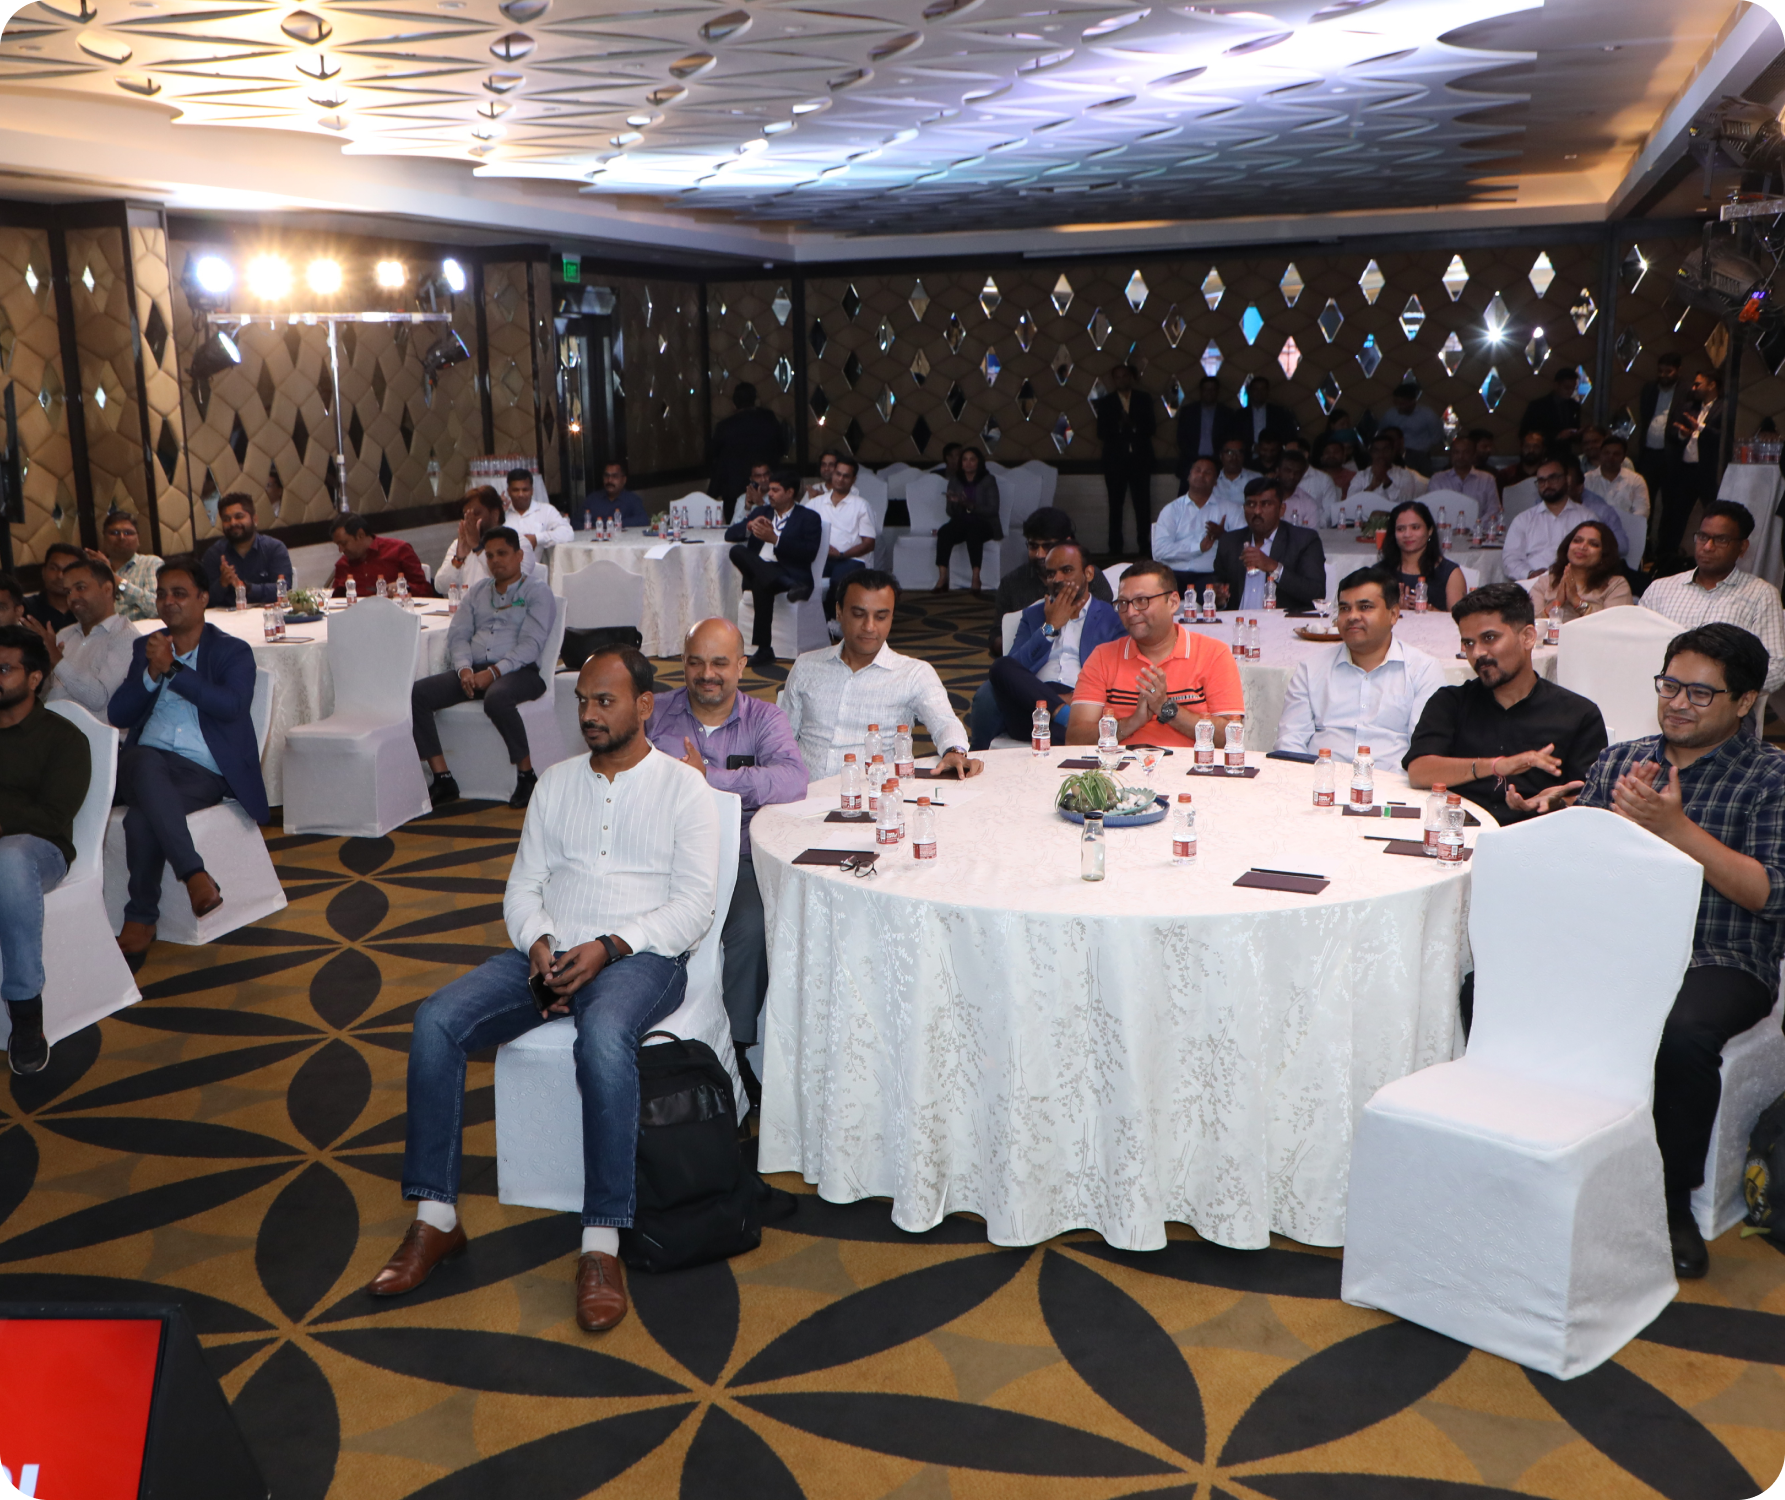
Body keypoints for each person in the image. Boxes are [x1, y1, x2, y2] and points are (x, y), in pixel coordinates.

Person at [368, 645, 720, 1333]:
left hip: (641, 957)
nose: (589, 713)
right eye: (582, 701)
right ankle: (436, 1219)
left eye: (605, 701)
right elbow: (523, 888)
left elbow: (693, 908)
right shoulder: (555, 784)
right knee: (436, 1020)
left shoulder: (685, 790)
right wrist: (538, 946)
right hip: (551, 952)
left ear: (645, 705)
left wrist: (609, 946)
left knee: (604, 1036)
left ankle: (601, 1243)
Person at [1562, 623, 1785, 1279]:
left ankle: (1668, 1201)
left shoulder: (1770, 777)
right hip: (1618, 942)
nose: (1677, 704)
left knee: (1681, 1031)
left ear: (1744, 702)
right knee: (1489, 984)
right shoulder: (1621, 761)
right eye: (1669, 686)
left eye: (1700, 693)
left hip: (1719, 953)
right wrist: (1601, 830)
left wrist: (1674, 828)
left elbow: (1770, 894)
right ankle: (1548, 1149)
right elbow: (1580, 866)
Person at [645, 618, 807, 1104]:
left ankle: (732, 1051)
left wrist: (708, 779)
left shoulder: (765, 718)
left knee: (752, 927)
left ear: (740, 665)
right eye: (695, 662)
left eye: (719, 663)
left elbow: (792, 780)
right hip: (664, 858)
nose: (707, 674)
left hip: (737, 858)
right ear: (682, 663)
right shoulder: (655, 714)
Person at [107, 556, 269, 969]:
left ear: (203, 598)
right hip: (144, 762)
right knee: (143, 760)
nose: (168, 602)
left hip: (202, 771)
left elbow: (231, 706)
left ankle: (141, 918)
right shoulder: (145, 648)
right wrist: (151, 672)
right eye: (162, 594)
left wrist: (174, 670)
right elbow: (118, 713)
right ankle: (194, 873)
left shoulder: (232, 651)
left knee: (141, 819)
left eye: (179, 593)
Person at [1404, 581, 1608, 826]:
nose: (1477, 653)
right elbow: (1419, 771)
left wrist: (1557, 803)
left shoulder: (1578, 714)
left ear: (1528, 637)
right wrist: (1496, 766)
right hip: (1456, 833)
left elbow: (1591, 801)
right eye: (1469, 643)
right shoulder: (1451, 702)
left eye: (1489, 638)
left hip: (1535, 837)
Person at [781, 569, 979, 780]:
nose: (869, 626)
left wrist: (954, 751)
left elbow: (945, 722)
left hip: (873, 793)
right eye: (858, 614)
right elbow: (781, 737)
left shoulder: (913, 674)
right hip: (803, 792)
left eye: (881, 617)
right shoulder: (806, 665)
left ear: (891, 617)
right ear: (839, 612)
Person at [0, 624, 92, 1076]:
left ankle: (25, 1014)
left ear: (34, 678)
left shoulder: (63, 738)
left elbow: (53, 818)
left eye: (4, 669)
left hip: (38, 853)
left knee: (8, 859)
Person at [410, 528, 556, 811]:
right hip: (475, 671)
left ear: (519, 556)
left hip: (520, 673)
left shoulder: (537, 591)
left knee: (497, 697)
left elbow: (531, 645)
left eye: (502, 553)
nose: (495, 560)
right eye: (490, 555)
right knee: (418, 694)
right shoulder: (478, 591)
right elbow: (458, 636)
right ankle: (443, 778)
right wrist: (464, 669)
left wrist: (494, 673)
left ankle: (527, 776)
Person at [1274, 567, 1445, 767]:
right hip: (1321, 781)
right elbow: (1290, 744)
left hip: (1393, 783)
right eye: (1345, 608)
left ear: (1393, 614)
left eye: (1365, 607)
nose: (1352, 616)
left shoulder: (1422, 670)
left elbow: (1425, 752)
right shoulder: (1311, 670)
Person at [1068, 560, 1244, 749]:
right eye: (1123, 603)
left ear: (1173, 603)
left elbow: (1231, 737)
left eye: (1142, 601)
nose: (1131, 612)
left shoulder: (1213, 654)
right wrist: (1133, 722)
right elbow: (1075, 738)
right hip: (1120, 766)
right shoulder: (1102, 657)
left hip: (1190, 766)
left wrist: (1167, 709)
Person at [1640, 502, 1785, 695]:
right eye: (1703, 537)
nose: (1708, 547)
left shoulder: (1761, 595)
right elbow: (1637, 645)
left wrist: (1721, 689)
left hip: (1722, 702)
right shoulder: (1660, 589)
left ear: (1742, 547)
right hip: (1657, 695)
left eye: (1721, 539)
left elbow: (1776, 666)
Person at [986, 542, 1123, 745]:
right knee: (1001, 666)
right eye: (1051, 574)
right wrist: (1049, 628)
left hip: (1082, 702)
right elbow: (1015, 667)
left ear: (1088, 574)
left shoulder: (1111, 618)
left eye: (1066, 570)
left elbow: (1120, 673)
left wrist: (1077, 699)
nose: (1057, 579)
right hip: (1033, 702)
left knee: (1056, 725)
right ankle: (1069, 722)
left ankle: (1071, 728)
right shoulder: (1033, 615)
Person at [726, 466, 822, 669]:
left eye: (775, 490)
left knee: (761, 582)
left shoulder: (809, 518)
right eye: (769, 489)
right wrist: (750, 526)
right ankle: (788, 584)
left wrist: (775, 540)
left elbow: (809, 553)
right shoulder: (761, 512)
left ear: (790, 492)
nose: (769, 493)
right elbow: (730, 534)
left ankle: (764, 650)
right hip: (769, 572)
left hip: (789, 570)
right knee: (737, 551)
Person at [988, 507, 1112, 658]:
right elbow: (997, 634)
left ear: (1068, 542)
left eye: (1047, 546)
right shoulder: (1012, 583)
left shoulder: (1088, 578)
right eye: (1033, 546)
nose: (1040, 554)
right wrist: (1014, 646)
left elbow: (1106, 628)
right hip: (1032, 662)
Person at [39, 555, 135, 717]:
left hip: (89, 731)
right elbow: (44, 696)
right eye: (68, 591)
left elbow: (99, 699)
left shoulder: (126, 637)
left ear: (107, 589)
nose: (72, 597)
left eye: (80, 588)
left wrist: (58, 661)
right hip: (50, 724)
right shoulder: (64, 635)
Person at [1211, 478, 1327, 613]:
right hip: (1238, 622)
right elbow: (1218, 591)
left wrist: (1274, 567)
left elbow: (1316, 593)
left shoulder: (1303, 540)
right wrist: (1219, 599)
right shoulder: (1230, 542)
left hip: (1281, 623)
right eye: (1251, 504)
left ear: (1281, 509)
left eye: (1265, 504)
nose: (1257, 511)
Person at [1658, 371, 1726, 568]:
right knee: (1676, 514)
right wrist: (1682, 434)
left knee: (1715, 514)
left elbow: (1724, 436)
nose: (1693, 388)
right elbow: (1672, 432)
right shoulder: (1689, 407)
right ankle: (1666, 559)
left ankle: (1716, 557)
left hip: (1708, 470)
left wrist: (1701, 427)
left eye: (1698, 384)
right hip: (1686, 468)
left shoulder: (1723, 408)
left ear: (1712, 385)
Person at [804, 454, 876, 622]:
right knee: (801, 578)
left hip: (852, 559)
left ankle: (833, 621)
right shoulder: (816, 503)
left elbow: (869, 544)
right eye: (838, 474)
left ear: (853, 479)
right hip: (821, 558)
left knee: (839, 581)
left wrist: (842, 554)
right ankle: (811, 621)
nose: (840, 479)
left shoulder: (861, 505)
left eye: (846, 476)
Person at [1095, 363, 1157, 556]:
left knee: (1142, 506)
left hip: (1140, 460)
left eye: (1125, 376)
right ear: (1114, 380)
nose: (1122, 380)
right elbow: (1101, 432)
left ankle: (1145, 546)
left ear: (1130, 377)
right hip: (1115, 462)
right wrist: (1120, 426)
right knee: (1115, 505)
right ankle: (1115, 548)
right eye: (1118, 377)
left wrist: (1134, 425)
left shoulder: (1143, 399)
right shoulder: (1106, 402)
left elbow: (1151, 428)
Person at [1153, 456, 1241, 590]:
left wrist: (1224, 536)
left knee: (1214, 595)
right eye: (1197, 470)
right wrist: (1198, 547)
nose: (1201, 475)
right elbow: (1160, 550)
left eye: (1208, 472)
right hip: (1173, 574)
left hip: (1210, 574)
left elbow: (1244, 546)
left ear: (1216, 481)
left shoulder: (1232, 509)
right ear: (1189, 476)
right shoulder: (1171, 509)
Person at [1527, 520, 1635, 623]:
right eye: (1577, 541)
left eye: (1593, 544)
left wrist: (1577, 601)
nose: (1582, 547)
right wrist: (1557, 602)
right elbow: (1528, 625)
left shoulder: (1616, 585)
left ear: (1604, 554)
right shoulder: (1545, 583)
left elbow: (1614, 626)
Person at [1502, 457, 1590, 580]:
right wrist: (1530, 574)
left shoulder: (1587, 518)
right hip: (1532, 583)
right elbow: (1510, 560)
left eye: (1553, 478)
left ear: (1567, 479)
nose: (1547, 485)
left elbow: (1594, 557)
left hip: (1575, 582)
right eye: (1541, 481)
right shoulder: (1523, 519)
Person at [709, 382, 785, 520]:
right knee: (772, 521)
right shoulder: (768, 420)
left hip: (733, 488)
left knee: (737, 525)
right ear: (755, 400)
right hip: (766, 485)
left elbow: (713, 456)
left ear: (734, 404)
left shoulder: (725, 427)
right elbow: (782, 448)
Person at [201, 493, 291, 608]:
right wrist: (222, 583)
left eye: (239, 517)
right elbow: (204, 600)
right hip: (228, 617)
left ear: (254, 519)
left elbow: (285, 590)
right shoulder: (214, 554)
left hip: (268, 614)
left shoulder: (274, 548)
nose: (233, 523)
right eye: (227, 519)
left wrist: (247, 588)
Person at [1376, 499, 1465, 611]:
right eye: (1400, 529)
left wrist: (1430, 610)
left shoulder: (1450, 573)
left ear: (1429, 531)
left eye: (1415, 527)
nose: (1407, 534)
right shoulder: (1379, 573)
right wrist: (1396, 611)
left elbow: (1460, 620)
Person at [935, 445, 1002, 594]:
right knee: (944, 532)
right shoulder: (955, 480)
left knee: (974, 532)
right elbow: (950, 512)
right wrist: (954, 502)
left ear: (979, 462)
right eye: (964, 460)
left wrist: (970, 505)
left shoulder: (988, 480)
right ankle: (943, 577)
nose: (968, 463)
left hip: (985, 523)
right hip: (962, 521)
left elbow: (993, 509)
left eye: (972, 459)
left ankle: (976, 577)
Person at [1637, 353, 1686, 548]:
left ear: (1678, 371)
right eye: (1660, 371)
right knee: (1644, 499)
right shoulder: (1649, 389)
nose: (1663, 375)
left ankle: (1664, 547)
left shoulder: (1685, 391)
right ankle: (1642, 544)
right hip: (1648, 453)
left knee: (1670, 502)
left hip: (1671, 454)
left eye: (1668, 371)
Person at [330, 513, 434, 599]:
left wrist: (403, 588)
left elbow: (426, 590)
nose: (340, 550)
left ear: (360, 535)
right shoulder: (343, 564)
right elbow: (335, 600)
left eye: (343, 543)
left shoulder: (399, 550)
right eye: (338, 545)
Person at [435, 488, 514, 595]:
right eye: (466, 515)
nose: (470, 519)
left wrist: (477, 547)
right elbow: (440, 587)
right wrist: (459, 558)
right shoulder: (459, 544)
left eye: (476, 513)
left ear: (495, 515)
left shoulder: (516, 542)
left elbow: (509, 581)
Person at [1561, 455, 1632, 563]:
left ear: (1579, 488)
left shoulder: (1600, 510)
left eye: (1566, 489)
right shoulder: (1542, 504)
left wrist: (1592, 546)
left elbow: (1622, 546)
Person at [1581, 433, 1649, 544]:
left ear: (1623, 457)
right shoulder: (1587, 480)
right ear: (1600, 454)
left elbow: (1642, 512)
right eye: (1606, 453)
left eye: (1616, 454)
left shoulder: (1636, 480)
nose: (1610, 457)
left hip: (1626, 535)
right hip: (1592, 534)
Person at [96, 511, 161, 621]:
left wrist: (116, 580)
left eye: (128, 533)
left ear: (138, 539)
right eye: (114, 532)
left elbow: (157, 608)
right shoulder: (95, 569)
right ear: (104, 538)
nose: (121, 537)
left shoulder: (151, 563)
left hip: (141, 629)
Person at [502, 467, 575, 564]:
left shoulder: (546, 510)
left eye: (525, 490)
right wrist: (498, 511)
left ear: (532, 491)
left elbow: (567, 533)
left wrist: (537, 538)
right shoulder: (502, 513)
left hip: (536, 571)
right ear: (508, 491)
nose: (521, 494)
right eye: (516, 490)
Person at [1428, 435, 1501, 528]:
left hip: (1479, 532)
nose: (1460, 456)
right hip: (1446, 531)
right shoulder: (1438, 479)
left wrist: (1475, 526)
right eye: (1456, 452)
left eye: (1466, 452)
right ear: (1450, 454)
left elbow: (1494, 509)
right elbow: (1432, 509)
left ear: (1474, 454)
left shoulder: (1487, 479)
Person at [1174, 375, 1234, 482]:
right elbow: (1181, 438)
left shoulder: (1226, 413)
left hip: (1218, 463)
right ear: (1201, 391)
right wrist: (1194, 457)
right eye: (1206, 389)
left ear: (1217, 391)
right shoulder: (1188, 412)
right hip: (1191, 462)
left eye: (1212, 389)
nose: (1209, 393)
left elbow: (1230, 439)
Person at [1347, 433, 1419, 516]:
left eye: (1386, 450)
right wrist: (1371, 487)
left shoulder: (1404, 474)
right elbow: (1351, 502)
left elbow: (1405, 502)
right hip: (1364, 519)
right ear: (1371, 453)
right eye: (1376, 450)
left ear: (1393, 452)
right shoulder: (1361, 475)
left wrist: (1386, 481)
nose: (1381, 454)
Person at [1384, 383, 1445, 472]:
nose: (1398, 407)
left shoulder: (1428, 415)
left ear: (1413, 401)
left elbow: (1437, 438)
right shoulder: (1390, 414)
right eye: (1396, 403)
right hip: (1395, 457)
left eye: (1402, 404)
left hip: (1421, 457)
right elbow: (1383, 433)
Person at [1519, 366, 1583, 449]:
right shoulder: (1538, 406)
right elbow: (1525, 433)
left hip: (1565, 451)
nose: (1570, 391)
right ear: (1556, 385)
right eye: (1567, 388)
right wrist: (1557, 436)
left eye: (1573, 388)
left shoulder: (1574, 406)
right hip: (1543, 451)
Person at [24, 542, 81, 635]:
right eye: (54, 568)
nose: (60, 576)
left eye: (68, 570)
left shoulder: (88, 610)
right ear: (43, 571)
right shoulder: (25, 608)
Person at [575, 460, 648, 531]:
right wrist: (593, 528)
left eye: (615, 476)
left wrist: (612, 524)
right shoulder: (592, 499)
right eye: (606, 476)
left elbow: (643, 520)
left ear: (624, 480)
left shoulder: (633, 499)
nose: (609, 480)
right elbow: (575, 523)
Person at [1278, 448, 1337, 528]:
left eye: (1297, 472)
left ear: (1302, 474)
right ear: (1278, 470)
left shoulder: (1309, 504)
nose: (1292, 476)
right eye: (1288, 471)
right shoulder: (1264, 497)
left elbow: (1311, 534)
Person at [1239, 377, 1299, 447]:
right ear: (1250, 391)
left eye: (1263, 389)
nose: (1259, 392)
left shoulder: (1279, 413)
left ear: (1267, 391)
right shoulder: (1241, 415)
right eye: (1256, 389)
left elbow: (1288, 436)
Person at [1210, 436, 1261, 509]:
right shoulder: (1212, 479)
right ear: (1221, 456)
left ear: (1243, 456)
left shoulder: (1256, 478)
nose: (1234, 457)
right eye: (1230, 452)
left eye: (1239, 453)